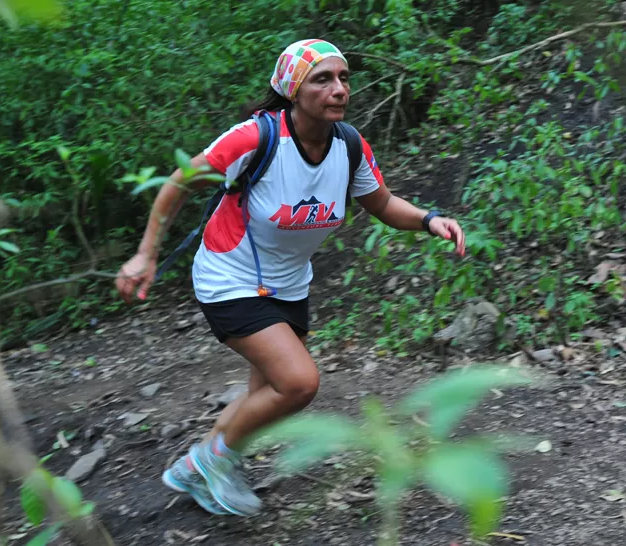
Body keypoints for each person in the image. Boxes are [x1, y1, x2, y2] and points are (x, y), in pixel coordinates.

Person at [114, 38, 466, 517]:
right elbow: (178, 183)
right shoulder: (255, 139)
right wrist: (145, 254)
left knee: (266, 393)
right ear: (293, 89)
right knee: (299, 383)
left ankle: (192, 471)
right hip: (229, 276)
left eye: (343, 78)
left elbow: (381, 203)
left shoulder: (348, 145)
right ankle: (211, 459)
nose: (339, 89)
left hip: (289, 283)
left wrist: (429, 219)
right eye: (323, 79)